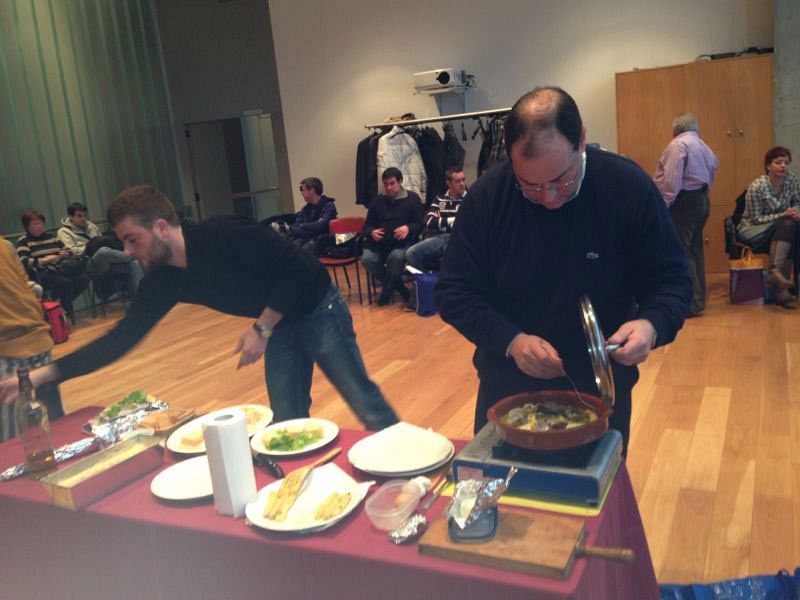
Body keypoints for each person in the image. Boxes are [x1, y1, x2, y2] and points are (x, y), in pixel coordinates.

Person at [0, 186, 399, 431]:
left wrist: (261, 328)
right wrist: (43, 374)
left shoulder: (221, 233)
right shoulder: (164, 278)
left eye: (131, 239)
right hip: (278, 325)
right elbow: (120, 339)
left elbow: (299, 268)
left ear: (159, 228)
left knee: (361, 398)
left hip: (316, 309)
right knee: (287, 419)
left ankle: (417, 476)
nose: (126, 251)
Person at [435, 87, 691, 454]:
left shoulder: (627, 187)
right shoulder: (488, 197)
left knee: (593, 503)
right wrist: (512, 341)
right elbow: (454, 292)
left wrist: (651, 325)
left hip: (601, 390)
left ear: (582, 140)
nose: (550, 199)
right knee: (493, 500)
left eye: (562, 181)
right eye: (531, 187)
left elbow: (672, 281)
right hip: (507, 384)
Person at [654, 113, 718, 317]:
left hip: (684, 202)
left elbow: (672, 180)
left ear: (674, 131)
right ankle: (698, 300)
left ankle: (689, 302)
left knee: (682, 251)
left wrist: (663, 205)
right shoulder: (702, 145)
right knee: (695, 250)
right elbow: (714, 166)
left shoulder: (678, 145)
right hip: (701, 199)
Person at [0, 236, 63, 442]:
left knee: (15, 447)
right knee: (55, 432)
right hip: (38, 342)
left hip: (9, 354)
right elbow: (27, 287)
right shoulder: (5, 244)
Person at [737, 146, 800, 307]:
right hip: (753, 228)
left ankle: (777, 279)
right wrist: (783, 214)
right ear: (768, 166)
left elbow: (797, 202)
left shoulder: (791, 180)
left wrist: (796, 212)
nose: (783, 166)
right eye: (778, 162)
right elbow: (756, 219)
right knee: (787, 225)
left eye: (786, 163)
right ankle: (779, 286)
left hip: (781, 228)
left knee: (791, 226)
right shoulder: (757, 186)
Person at [361, 167, 424, 306]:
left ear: (400, 181)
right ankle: (399, 287)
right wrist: (372, 232)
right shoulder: (377, 200)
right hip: (378, 244)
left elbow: (419, 224)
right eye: (386, 184)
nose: (389, 187)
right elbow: (366, 226)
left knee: (396, 257)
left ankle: (386, 294)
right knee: (366, 259)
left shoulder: (412, 199)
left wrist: (408, 228)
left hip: (400, 243)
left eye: (392, 183)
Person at [16, 210, 89, 323]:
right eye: (34, 224)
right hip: (41, 272)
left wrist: (66, 253)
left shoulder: (52, 237)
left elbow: (68, 250)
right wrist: (44, 260)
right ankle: (68, 315)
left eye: (40, 223)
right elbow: (23, 261)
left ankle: (60, 306)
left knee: (84, 278)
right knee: (65, 283)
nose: (38, 227)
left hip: (60, 268)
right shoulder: (24, 241)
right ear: (27, 227)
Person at [57, 202, 144, 295]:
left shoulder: (91, 226)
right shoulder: (63, 232)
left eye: (85, 216)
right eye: (79, 216)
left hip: (106, 260)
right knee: (103, 251)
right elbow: (72, 251)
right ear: (70, 217)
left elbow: (102, 239)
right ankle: (134, 255)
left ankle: (141, 297)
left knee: (134, 264)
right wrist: (90, 245)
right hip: (86, 262)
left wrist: (98, 243)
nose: (83, 219)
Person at [405, 168, 467, 271]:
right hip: (438, 237)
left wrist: (441, 220)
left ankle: (447, 284)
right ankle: (427, 281)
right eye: (458, 181)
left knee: (450, 254)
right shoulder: (439, 199)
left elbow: (465, 223)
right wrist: (454, 220)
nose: (462, 184)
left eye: (463, 180)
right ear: (449, 183)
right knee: (411, 253)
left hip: (458, 238)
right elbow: (429, 222)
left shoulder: (468, 199)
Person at [287, 177, 338, 253]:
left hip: (324, 243)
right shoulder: (305, 209)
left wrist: (303, 226)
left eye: (303, 190)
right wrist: (312, 228)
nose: (302, 194)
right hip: (308, 239)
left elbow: (321, 227)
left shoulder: (328, 206)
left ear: (312, 191)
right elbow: (294, 228)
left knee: (300, 254)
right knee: (288, 249)